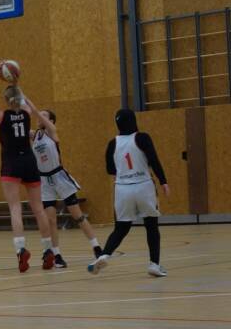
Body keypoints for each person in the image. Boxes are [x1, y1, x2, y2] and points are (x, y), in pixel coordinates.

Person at [0, 61, 55, 272]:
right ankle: (48, 250)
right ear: (20, 98)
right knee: (38, 208)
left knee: (15, 208)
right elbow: (26, 101)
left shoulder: (0, 116)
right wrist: (16, 81)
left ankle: (21, 249)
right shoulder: (27, 112)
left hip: (11, 163)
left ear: (5, 100)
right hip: (29, 161)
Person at [88, 109, 169, 277]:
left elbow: (110, 169)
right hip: (143, 186)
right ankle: (154, 264)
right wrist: (163, 181)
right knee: (151, 226)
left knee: (121, 228)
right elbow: (154, 160)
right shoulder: (142, 138)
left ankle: (104, 255)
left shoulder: (113, 143)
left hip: (122, 188)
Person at [30, 107, 103, 267]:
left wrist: (31, 107)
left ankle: (96, 247)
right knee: (51, 220)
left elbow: (42, 120)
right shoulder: (34, 135)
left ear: (51, 121)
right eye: (39, 115)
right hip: (44, 181)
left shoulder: (51, 132)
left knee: (78, 216)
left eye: (43, 115)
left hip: (59, 177)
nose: (39, 117)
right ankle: (57, 255)